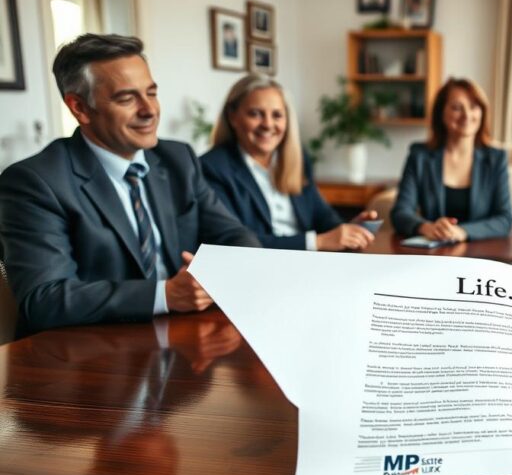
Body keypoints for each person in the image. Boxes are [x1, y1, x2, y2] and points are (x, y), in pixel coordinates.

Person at [0, 33, 260, 336]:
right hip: (88, 350)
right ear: (79, 107)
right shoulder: (34, 182)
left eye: (151, 93)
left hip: (183, 334)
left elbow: (236, 236)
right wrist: (166, 295)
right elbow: (45, 299)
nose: (149, 110)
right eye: (127, 98)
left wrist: (213, 276)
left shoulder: (178, 159)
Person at [201, 74, 376, 251]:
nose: (268, 124)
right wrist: (318, 242)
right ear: (232, 117)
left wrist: (348, 230)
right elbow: (234, 242)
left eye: (277, 115)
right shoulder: (211, 167)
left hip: (308, 261)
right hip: (257, 265)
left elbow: (321, 215)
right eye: (255, 114)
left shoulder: (298, 158)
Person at [391, 78, 512, 242]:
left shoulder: (496, 159)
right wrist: (427, 227)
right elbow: (400, 212)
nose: (467, 115)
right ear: (440, 113)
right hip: (435, 248)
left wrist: (462, 231)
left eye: (473, 107)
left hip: (482, 250)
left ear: (482, 112)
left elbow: (505, 220)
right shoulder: (419, 156)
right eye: (456, 108)